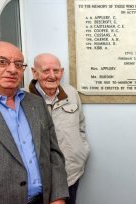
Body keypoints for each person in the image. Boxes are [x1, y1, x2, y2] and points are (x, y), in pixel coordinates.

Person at [0, 41, 68, 204]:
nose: (12, 69)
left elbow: (53, 153)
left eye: (18, 64)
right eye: (2, 62)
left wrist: (57, 197)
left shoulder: (36, 103)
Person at [29, 53, 90, 204]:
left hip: (71, 174)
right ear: (34, 73)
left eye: (56, 71)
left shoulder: (71, 93)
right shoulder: (22, 97)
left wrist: (82, 150)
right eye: (45, 71)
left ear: (62, 72)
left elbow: (80, 125)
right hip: (38, 180)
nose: (52, 75)